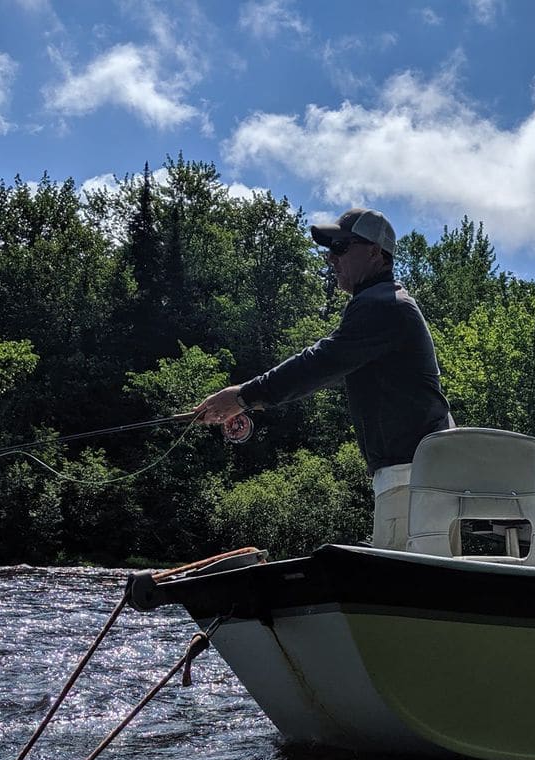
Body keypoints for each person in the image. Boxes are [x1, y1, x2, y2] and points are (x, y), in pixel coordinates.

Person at [194, 207, 453, 550]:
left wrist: (242, 396)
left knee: (401, 593)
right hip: (420, 473)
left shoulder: (383, 305)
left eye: (342, 247)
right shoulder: (383, 303)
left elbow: (319, 363)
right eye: (330, 248)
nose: (332, 258)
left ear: (375, 252)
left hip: (411, 477)